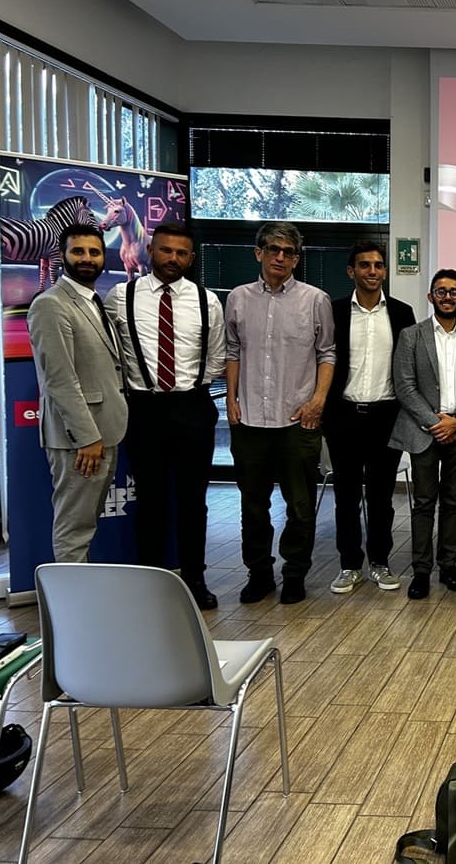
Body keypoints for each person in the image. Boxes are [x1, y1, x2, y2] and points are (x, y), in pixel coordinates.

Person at [104, 221, 226, 610]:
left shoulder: (207, 301)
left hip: (193, 406)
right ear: (151, 250)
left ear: (191, 258)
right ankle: (152, 582)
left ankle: (194, 579)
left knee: (193, 501)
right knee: (151, 500)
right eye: (166, 250)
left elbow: (217, 356)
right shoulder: (121, 296)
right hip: (144, 408)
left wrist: (191, 390)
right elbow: (111, 353)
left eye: (181, 253)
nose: (173, 258)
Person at [225, 222, 334, 605]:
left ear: (296, 259)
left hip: (297, 420)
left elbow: (327, 353)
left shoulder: (315, 299)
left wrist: (318, 400)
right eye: (274, 249)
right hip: (250, 418)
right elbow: (233, 350)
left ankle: (294, 574)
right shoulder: (238, 298)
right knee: (253, 506)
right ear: (259, 252)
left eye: (289, 252)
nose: (281, 257)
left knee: (301, 507)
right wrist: (231, 398)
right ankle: (259, 574)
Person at [26, 223, 128, 563]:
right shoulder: (51, 304)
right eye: (78, 251)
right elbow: (59, 380)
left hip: (103, 431)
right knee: (74, 530)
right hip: (81, 441)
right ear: (63, 255)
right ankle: (69, 598)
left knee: (84, 524)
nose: (87, 258)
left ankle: (78, 591)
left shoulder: (93, 301)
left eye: (94, 252)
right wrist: (87, 438)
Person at [323, 242, 415, 595]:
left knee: (381, 498)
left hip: (386, 416)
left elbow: (408, 367)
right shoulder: (333, 311)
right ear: (352, 271)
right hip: (344, 415)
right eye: (365, 265)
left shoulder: (402, 313)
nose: (372, 271)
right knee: (345, 497)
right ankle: (349, 565)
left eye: (378, 265)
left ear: (385, 271)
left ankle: (379, 562)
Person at [391, 269, 456, 600]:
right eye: (441, 291)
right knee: (423, 503)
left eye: (453, 292)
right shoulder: (411, 336)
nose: (447, 297)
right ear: (431, 297)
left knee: (452, 503)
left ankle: (449, 566)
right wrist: (436, 422)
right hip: (424, 432)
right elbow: (404, 385)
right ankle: (421, 571)